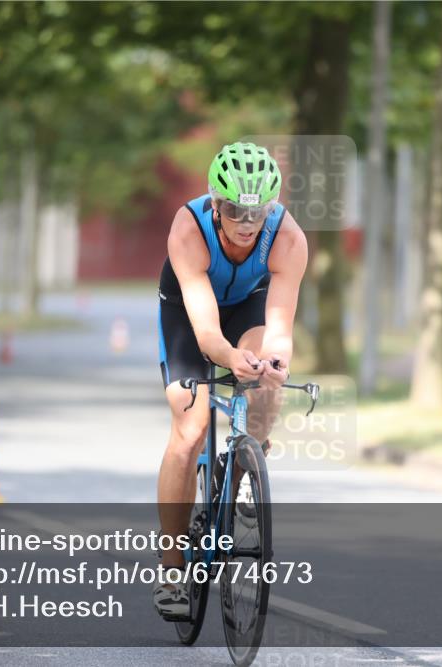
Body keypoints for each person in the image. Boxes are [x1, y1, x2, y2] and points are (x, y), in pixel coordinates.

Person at [153, 142, 308, 619]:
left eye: (257, 210)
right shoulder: (188, 229)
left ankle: (240, 469)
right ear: (215, 205)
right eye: (235, 209)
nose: (246, 220)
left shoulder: (287, 237)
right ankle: (173, 569)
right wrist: (229, 357)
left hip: (248, 303)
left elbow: (279, 330)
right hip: (188, 309)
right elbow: (205, 333)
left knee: (270, 382)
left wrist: (274, 362)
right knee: (190, 429)